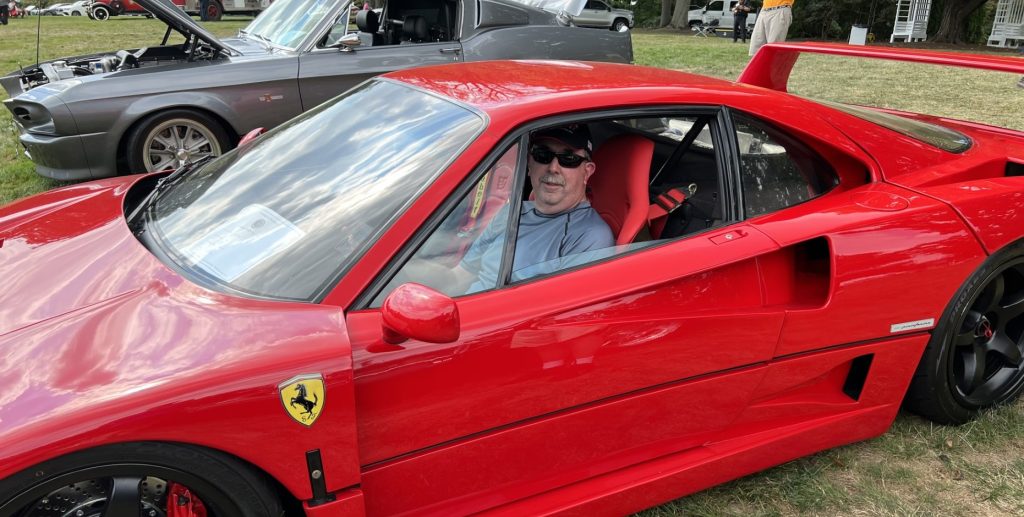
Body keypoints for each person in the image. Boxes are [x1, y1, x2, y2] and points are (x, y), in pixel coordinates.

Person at [458, 124, 614, 293]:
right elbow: (463, 273)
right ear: (529, 164)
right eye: (543, 155)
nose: (553, 168)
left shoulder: (589, 237)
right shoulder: (511, 213)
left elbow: (555, 312)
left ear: (587, 172)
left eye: (568, 159)